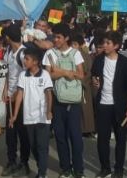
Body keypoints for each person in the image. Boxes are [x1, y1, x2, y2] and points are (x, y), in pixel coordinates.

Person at [43, 23, 86, 178]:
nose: (56, 40)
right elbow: (48, 76)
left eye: (59, 37)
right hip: (57, 101)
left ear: (66, 38)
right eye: (54, 36)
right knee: (60, 137)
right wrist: (65, 72)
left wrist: (60, 71)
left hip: (73, 102)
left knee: (75, 137)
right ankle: (65, 168)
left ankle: (79, 169)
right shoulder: (49, 54)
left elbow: (81, 75)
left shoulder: (76, 53)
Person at [91, 30, 127, 178]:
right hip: (103, 104)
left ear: (116, 45)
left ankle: (119, 169)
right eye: (104, 42)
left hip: (120, 105)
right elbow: (94, 76)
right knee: (103, 139)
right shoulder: (98, 59)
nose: (105, 45)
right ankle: (105, 168)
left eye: (108, 43)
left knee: (121, 139)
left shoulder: (124, 62)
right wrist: (94, 81)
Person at [10, 47, 53, 178]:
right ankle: (42, 167)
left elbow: (49, 94)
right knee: (33, 145)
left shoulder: (45, 74)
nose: (24, 60)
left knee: (42, 146)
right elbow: (19, 95)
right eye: (24, 58)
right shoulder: (23, 75)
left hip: (42, 117)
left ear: (35, 61)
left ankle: (41, 173)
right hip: (28, 117)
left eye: (27, 58)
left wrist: (49, 111)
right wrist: (15, 115)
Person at [1, 23, 31, 177]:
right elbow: (8, 73)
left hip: (21, 99)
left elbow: (27, 77)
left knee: (22, 132)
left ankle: (24, 162)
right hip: (10, 98)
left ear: (8, 37)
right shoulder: (8, 53)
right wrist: (5, 90)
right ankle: (11, 160)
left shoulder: (23, 54)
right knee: (10, 132)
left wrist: (16, 94)